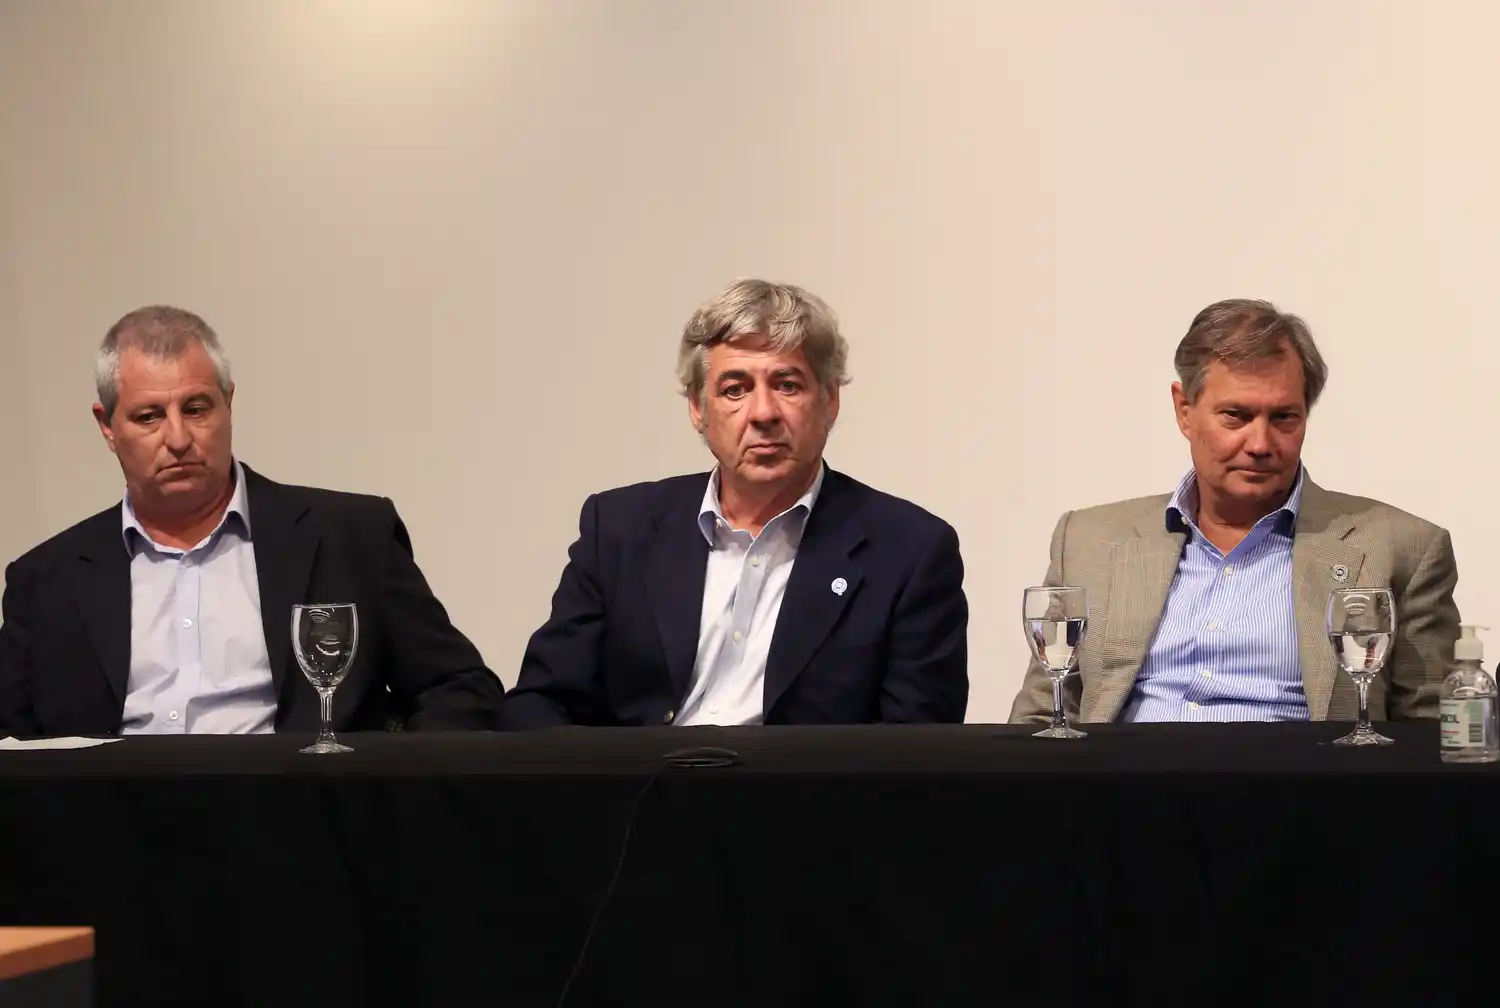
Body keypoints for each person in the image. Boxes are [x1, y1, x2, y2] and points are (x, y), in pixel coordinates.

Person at [0, 306, 504, 736]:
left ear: (229, 404)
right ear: (107, 427)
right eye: (149, 417)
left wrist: (389, 796)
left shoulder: (350, 538)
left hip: (300, 812)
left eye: (196, 409)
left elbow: (460, 689)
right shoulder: (45, 583)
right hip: (110, 817)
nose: (178, 439)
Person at [503, 278, 968, 728]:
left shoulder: (909, 551)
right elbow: (542, 703)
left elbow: (914, 749)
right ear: (697, 409)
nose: (763, 413)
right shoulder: (620, 528)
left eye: (787, 385)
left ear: (829, 401)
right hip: (640, 781)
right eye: (734, 389)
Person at [1010, 298, 1459, 725]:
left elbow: (1431, 734)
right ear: (1184, 411)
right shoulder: (1088, 541)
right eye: (1235, 416)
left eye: (1284, 418)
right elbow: (1042, 718)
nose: (1260, 444)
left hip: (1299, 780)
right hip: (1122, 778)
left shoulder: (1400, 549)